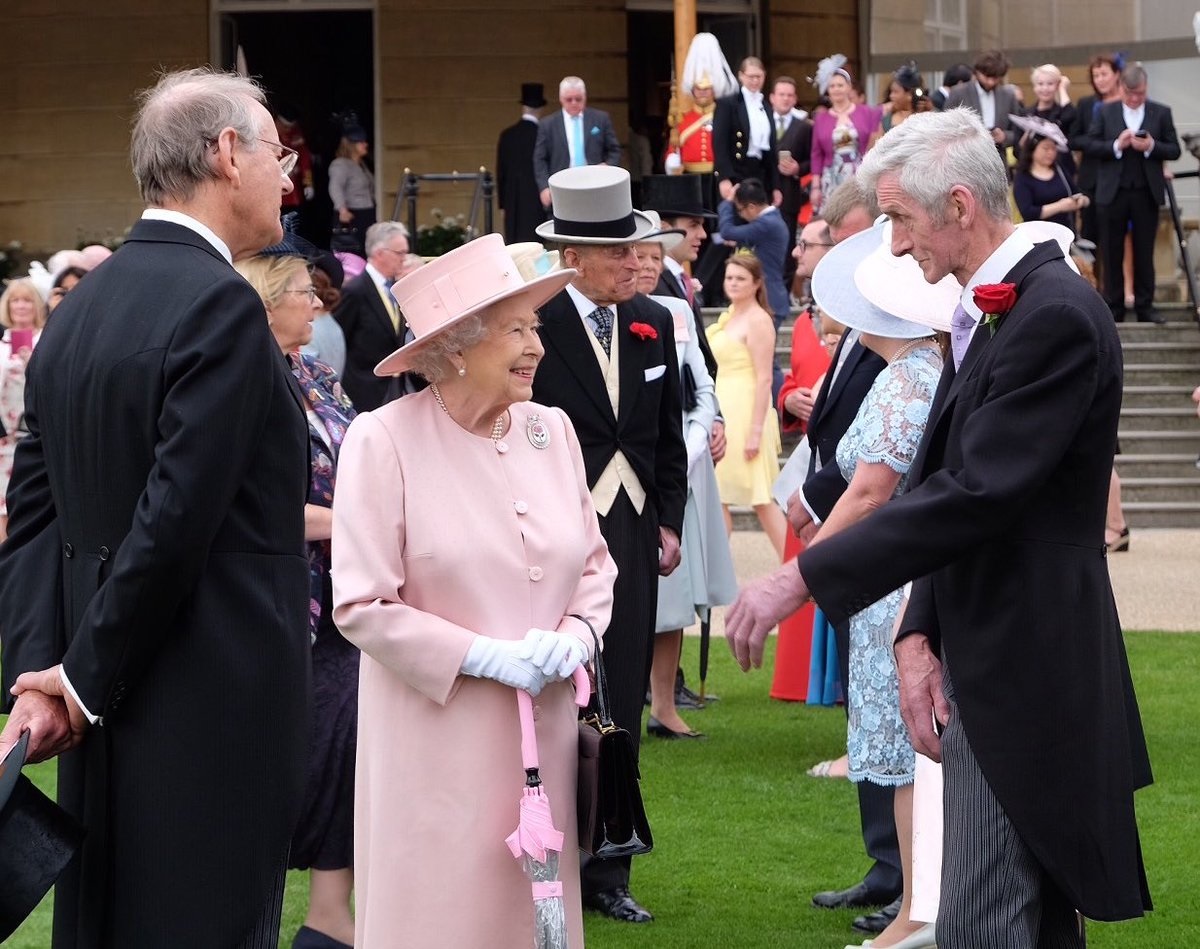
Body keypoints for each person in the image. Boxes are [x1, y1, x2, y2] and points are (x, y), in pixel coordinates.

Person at [727, 107, 1152, 949]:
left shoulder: (1052, 313)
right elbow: (954, 489)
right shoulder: (1001, 308)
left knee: (984, 924)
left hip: (1027, 665)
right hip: (989, 652)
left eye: (898, 220)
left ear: (959, 206)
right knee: (1018, 923)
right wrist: (918, 634)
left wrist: (801, 576)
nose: (891, 247)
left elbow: (976, 494)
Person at [0, 67, 311, 948]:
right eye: (276, 151)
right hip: (208, 697)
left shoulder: (78, 310)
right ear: (225, 154)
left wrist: (46, 674)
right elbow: (177, 521)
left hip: (100, 703)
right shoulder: (222, 306)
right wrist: (74, 680)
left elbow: (33, 516)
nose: (288, 173)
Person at [331, 234, 616, 948]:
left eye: (536, 327)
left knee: (535, 921)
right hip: (435, 745)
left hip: (543, 739)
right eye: (516, 329)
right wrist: (483, 655)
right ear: (455, 345)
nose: (537, 347)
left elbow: (595, 564)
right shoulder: (382, 439)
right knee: (442, 916)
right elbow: (360, 602)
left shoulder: (552, 430)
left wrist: (579, 634)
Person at [531, 164, 688, 923]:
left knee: (621, 691)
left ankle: (610, 868)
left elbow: (666, 436)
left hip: (629, 531)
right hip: (552, 533)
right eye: (621, 253)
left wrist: (668, 519)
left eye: (638, 253)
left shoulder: (654, 320)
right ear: (572, 257)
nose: (637, 264)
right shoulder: (533, 323)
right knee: (553, 696)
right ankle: (549, 856)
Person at [807, 220, 955, 949]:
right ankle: (919, 908)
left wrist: (802, 573)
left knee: (907, 757)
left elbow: (870, 491)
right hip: (889, 583)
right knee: (904, 754)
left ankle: (917, 913)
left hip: (895, 586)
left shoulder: (909, 376)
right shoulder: (909, 371)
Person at [781, 182, 905, 938]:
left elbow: (878, 445)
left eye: (841, 236)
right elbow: (836, 426)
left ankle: (907, 870)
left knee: (891, 701)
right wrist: (808, 486)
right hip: (844, 521)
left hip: (879, 535)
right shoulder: (857, 327)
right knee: (868, 697)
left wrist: (820, 497)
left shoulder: (899, 328)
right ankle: (884, 861)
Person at [234, 252, 358, 949]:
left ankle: (329, 912)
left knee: (346, 738)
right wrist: (348, 522)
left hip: (343, 595)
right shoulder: (245, 379)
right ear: (267, 301)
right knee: (292, 754)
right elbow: (247, 507)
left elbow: (359, 455)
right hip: (278, 599)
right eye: (305, 295)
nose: (317, 306)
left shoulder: (316, 372)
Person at [635, 225, 737, 740]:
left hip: (683, 466)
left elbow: (702, 385)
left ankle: (664, 706)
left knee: (675, 590)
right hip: (634, 465)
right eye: (641, 255)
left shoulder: (675, 313)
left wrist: (696, 439)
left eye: (656, 256)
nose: (650, 265)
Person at [1084, 62, 1180, 324]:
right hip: (1112, 192)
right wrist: (1117, 144)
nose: (1136, 99)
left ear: (1146, 88)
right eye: (1130, 94)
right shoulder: (1105, 111)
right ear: (1121, 89)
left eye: (1140, 93)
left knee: (1144, 250)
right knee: (1111, 251)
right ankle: (1113, 307)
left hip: (1145, 192)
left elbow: (1174, 149)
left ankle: (1145, 306)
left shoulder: (1161, 112)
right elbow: (1090, 145)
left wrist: (1151, 146)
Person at [708, 251, 788, 556]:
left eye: (741, 278)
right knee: (718, 495)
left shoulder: (758, 320)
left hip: (745, 411)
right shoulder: (729, 315)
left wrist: (756, 430)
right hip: (723, 405)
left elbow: (765, 378)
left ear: (756, 283)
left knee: (761, 497)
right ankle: (718, 568)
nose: (733, 283)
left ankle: (794, 568)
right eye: (729, 277)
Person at [333, 220, 423, 411]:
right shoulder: (355, 291)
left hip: (396, 388)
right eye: (400, 253)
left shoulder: (395, 286)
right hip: (364, 392)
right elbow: (339, 341)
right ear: (380, 253)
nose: (404, 258)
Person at [1068, 53, 1124, 289]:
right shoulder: (1087, 104)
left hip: (1120, 180)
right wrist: (1105, 144)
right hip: (1091, 179)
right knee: (1089, 237)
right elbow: (1075, 139)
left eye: (1104, 74)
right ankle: (1090, 288)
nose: (1100, 80)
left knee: (1114, 242)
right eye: (1095, 75)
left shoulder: (1127, 102)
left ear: (1116, 75)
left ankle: (1114, 294)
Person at [0, 278, 47, 541]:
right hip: (3, 437)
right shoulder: (2, 341)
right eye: (16, 300)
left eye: (27, 300)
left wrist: (31, 362)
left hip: (31, 432)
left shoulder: (46, 339)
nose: (21, 306)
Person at [533, 76, 622, 209]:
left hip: (595, 186)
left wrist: (608, 166)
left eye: (578, 99)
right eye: (569, 99)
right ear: (561, 99)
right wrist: (544, 187)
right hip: (562, 187)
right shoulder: (548, 125)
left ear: (585, 97)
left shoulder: (600, 119)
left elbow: (615, 150)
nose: (574, 103)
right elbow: (539, 159)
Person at [809, 55, 882, 216]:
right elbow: (816, 154)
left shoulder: (866, 112)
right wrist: (815, 186)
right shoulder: (821, 118)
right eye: (833, 85)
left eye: (840, 85)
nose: (836, 89)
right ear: (828, 89)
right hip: (831, 176)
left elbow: (880, 125)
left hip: (859, 174)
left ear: (849, 87)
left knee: (860, 216)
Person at [717, 177, 791, 325]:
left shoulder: (767, 224)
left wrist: (727, 202)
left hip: (769, 300)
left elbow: (726, 231)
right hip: (768, 299)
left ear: (751, 207)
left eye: (739, 210)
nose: (740, 215)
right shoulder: (771, 220)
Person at [713, 57, 778, 202]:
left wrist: (775, 186)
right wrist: (724, 177)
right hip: (737, 171)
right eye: (751, 76)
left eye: (758, 76)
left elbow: (771, 149)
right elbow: (719, 143)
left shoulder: (766, 106)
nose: (755, 81)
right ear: (741, 76)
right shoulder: (728, 104)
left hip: (761, 172)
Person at [771, 76, 814, 288]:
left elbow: (812, 159)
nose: (785, 99)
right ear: (772, 97)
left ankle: (785, 291)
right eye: (781, 95)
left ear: (795, 98)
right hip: (765, 194)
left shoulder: (803, 126)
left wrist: (798, 168)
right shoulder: (761, 122)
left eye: (789, 95)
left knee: (787, 243)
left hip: (790, 194)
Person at [944, 49, 1022, 160]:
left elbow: (1017, 131)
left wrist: (1004, 136)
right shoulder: (958, 93)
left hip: (997, 158)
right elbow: (945, 127)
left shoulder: (1008, 96)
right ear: (977, 72)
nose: (990, 82)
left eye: (995, 78)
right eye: (986, 77)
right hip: (965, 159)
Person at [496, 82, 547, 243]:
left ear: (523, 107)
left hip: (512, 200)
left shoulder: (507, 135)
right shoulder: (542, 134)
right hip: (536, 201)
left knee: (515, 246)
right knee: (537, 247)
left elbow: (500, 173)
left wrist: (502, 205)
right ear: (540, 109)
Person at [1012, 127, 1086, 230]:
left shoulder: (1059, 170)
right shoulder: (1023, 177)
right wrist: (1060, 206)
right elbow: (1028, 212)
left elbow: (1076, 193)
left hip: (1065, 230)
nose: (1050, 153)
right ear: (1032, 149)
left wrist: (1081, 201)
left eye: (1053, 149)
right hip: (1039, 234)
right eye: (1045, 148)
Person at [328, 125, 376, 255]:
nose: (365, 144)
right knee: (353, 250)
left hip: (366, 212)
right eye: (361, 142)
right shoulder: (340, 164)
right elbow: (335, 187)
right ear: (352, 145)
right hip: (352, 214)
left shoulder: (361, 164)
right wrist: (342, 209)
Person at [1027, 64, 1078, 177]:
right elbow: (1018, 149)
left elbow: (1071, 116)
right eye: (1040, 84)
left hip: (1062, 170)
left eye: (1050, 84)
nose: (1045, 88)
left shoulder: (1063, 111)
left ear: (1057, 85)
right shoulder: (1027, 114)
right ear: (1034, 87)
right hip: (1034, 173)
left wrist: (1062, 89)